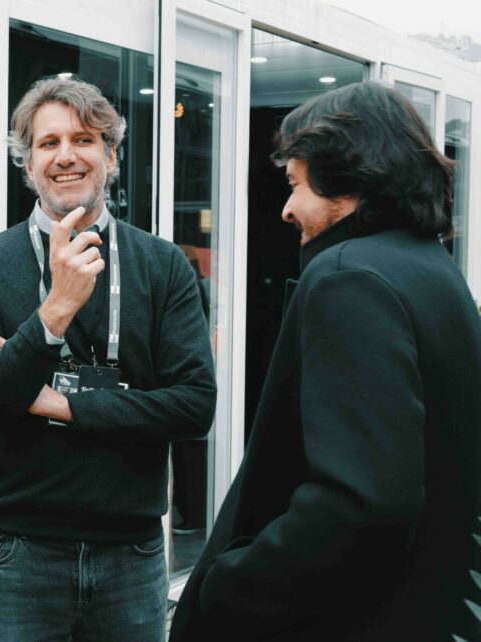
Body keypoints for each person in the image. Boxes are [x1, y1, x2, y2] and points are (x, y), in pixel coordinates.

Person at [170, 82, 481, 642]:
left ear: (348, 174)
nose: (287, 209)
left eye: (295, 184)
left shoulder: (348, 277)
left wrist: (229, 587)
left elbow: (361, 502)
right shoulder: (431, 267)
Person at [0, 77, 216, 641]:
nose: (66, 156)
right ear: (27, 164)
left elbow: (193, 407)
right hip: (16, 553)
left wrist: (56, 402)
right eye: (48, 143)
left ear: (110, 156)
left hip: (132, 552)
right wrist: (54, 313)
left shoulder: (163, 265)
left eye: (84, 139)